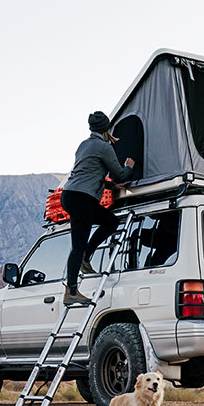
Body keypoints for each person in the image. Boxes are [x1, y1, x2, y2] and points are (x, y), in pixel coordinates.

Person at [61, 111, 135, 305]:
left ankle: (85, 257)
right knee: (78, 245)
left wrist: (111, 186)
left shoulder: (83, 145)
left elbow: (89, 173)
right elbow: (120, 174)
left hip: (69, 194)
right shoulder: (104, 147)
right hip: (81, 198)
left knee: (110, 221)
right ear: (106, 128)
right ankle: (72, 291)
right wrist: (129, 166)